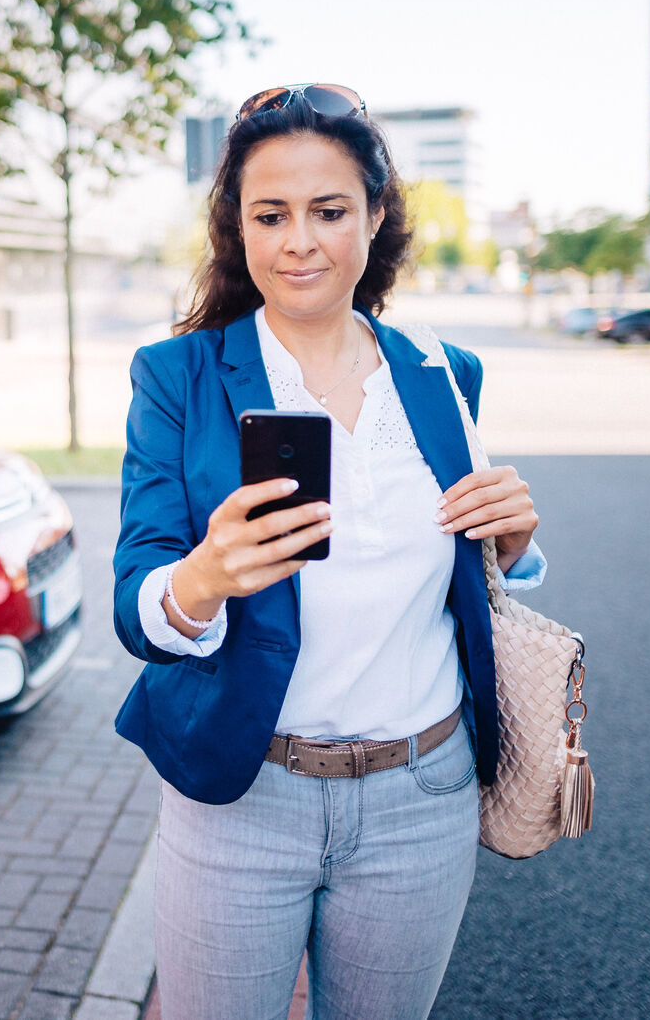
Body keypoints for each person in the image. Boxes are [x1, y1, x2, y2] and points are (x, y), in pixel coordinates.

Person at [112, 84, 548, 1020]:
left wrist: (511, 541)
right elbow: (137, 605)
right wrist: (202, 579)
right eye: (270, 214)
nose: (298, 241)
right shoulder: (177, 377)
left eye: (329, 211)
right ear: (239, 226)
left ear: (376, 215)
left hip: (421, 794)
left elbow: (476, 575)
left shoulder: (443, 374)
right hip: (243, 795)